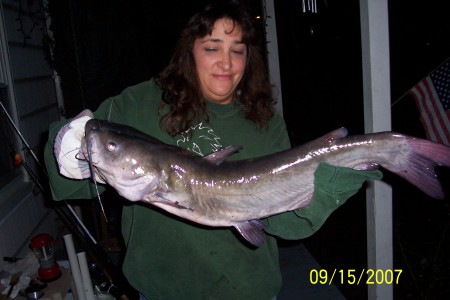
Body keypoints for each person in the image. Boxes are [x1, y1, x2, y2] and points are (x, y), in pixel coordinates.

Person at [44, 2, 382, 299]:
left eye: (238, 49)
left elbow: (288, 225)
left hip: (248, 291)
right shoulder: (140, 103)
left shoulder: (264, 121)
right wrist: (66, 144)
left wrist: (328, 189)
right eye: (212, 47)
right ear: (189, 49)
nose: (226, 63)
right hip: (162, 291)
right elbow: (68, 181)